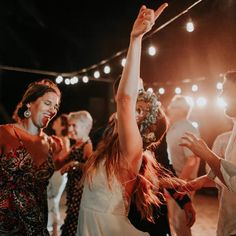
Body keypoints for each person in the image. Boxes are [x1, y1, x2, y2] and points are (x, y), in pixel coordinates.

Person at [76, 4, 185, 236]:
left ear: (143, 125)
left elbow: (125, 98)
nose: (130, 106)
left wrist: (135, 39)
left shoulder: (132, 149)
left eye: (138, 108)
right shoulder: (110, 144)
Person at [0, 79, 66, 235]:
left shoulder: (53, 144)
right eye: (47, 103)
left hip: (37, 225)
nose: (53, 110)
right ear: (29, 103)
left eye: (56, 106)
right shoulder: (5, 134)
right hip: (5, 225)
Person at [181, 71, 236, 236]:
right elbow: (230, 176)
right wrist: (204, 181)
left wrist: (207, 155)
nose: (220, 95)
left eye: (225, 89)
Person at [166, 94, 200, 236]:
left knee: (181, 224)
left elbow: (192, 160)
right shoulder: (173, 128)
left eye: (172, 107)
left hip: (183, 182)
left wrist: (180, 185)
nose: (168, 109)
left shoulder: (188, 128)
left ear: (181, 110)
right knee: (175, 222)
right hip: (174, 181)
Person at [60, 110, 93, 236]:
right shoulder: (76, 145)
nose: (70, 128)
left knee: (75, 222)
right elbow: (59, 163)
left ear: (85, 127)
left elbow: (90, 169)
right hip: (72, 188)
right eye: (69, 125)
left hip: (80, 191)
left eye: (74, 125)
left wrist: (74, 164)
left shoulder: (87, 145)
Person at [47, 114, 71, 236]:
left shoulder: (64, 140)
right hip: (54, 174)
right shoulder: (56, 138)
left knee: (52, 201)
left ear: (62, 127)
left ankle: (54, 231)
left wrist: (51, 156)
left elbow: (63, 158)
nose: (54, 121)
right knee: (51, 201)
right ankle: (54, 231)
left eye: (57, 121)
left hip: (58, 174)